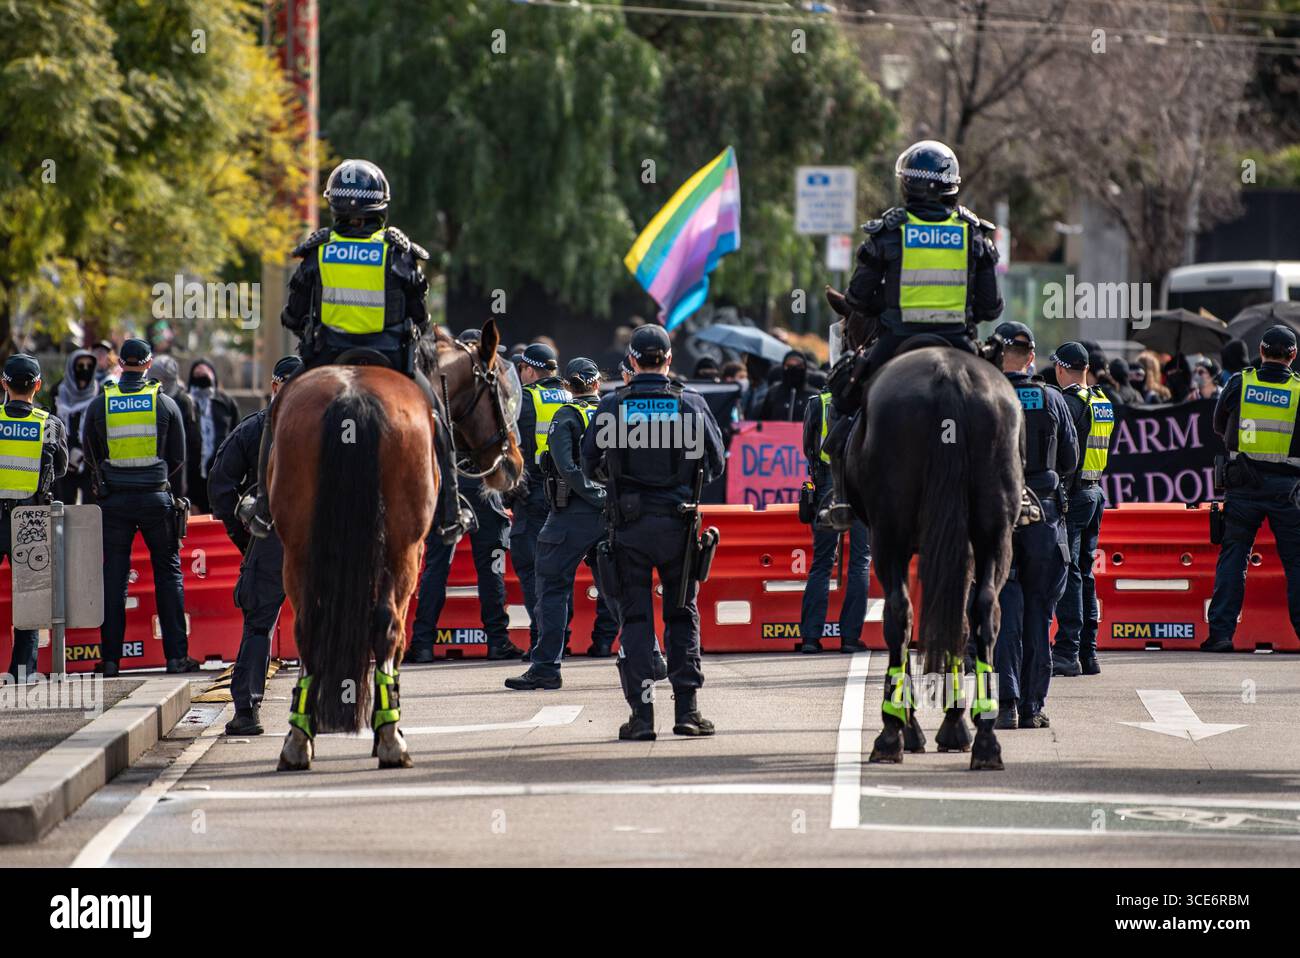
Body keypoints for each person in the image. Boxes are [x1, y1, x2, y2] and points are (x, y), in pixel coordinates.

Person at [243, 158, 469, 543]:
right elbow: (419, 316)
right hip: (392, 362)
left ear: (335, 205)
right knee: (435, 416)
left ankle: (263, 507)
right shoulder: (398, 253)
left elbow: (292, 317)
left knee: (278, 414)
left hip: (325, 359)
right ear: (380, 206)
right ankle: (450, 513)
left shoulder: (318, 252)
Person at [820, 139, 1003, 529]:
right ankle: (1018, 495)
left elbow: (857, 298)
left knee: (843, 399)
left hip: (895, 343)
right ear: (952, 185)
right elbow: (991, 308)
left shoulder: (888, 232)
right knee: (1007, 406)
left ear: (906, 184)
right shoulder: (974, 234)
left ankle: (840, 498)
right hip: (960, 343)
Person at [582, 325, 726, 740]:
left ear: (630, 361)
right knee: (682, 614)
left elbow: (590, 463)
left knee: (636, 618)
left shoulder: (612, 405)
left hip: (627, 527)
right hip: (679, 525)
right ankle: (688, 712)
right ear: (667, 359)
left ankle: (643, 718)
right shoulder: (691, 404)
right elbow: (714, 465)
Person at [83, 338, 193, 676]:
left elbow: (89, 451)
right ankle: (176, 657)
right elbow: (179, 457)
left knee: (114, 579)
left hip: (114, 501)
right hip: (156, 499)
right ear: (148, 364)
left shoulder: (101, 404)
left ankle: (112, 660)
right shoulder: (165, 404)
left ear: (121, 363)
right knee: (168, 573)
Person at [507, 358, 618, 689]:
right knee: (620, 588)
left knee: (552, 587)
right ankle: (651, 656)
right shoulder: (612, 414)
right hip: (610, 515)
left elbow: (566, 467)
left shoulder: (566, 415)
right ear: (598, 383)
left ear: (568, 386)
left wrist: (592, 495)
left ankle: (546, 666)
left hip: (569, 514)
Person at [208, 356, 302, 734]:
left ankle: (247, 711)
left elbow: (219, 485)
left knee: (258, 626)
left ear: (275, 386)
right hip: (317, 538)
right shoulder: (331, 428)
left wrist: (244, 536)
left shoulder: (255, 430)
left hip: (271, 536)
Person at [992, 324, 1077, 729]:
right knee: (1039, 614)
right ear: (1031, 357)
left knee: (1006, 611)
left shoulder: (984, 397)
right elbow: (1071, 461)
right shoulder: (1052, 398)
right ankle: (1032, 707)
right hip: (1044, 515)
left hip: (999, 516)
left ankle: (1006, 705)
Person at [1203, 325, 1300, 652]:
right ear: (1293, 356)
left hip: (1243, 484)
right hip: (1288, 489)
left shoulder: (1240, 382)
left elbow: (1219, 423)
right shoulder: (1299, 391)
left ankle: (1221, 635)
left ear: (1260, 351)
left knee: (1233, 558)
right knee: (1296, 563)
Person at [1, 356, 68, 680]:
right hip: (30, 518)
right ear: (37, 385)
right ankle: (23, 670)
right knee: (29, 596)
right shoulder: (49, 424)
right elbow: (63, 468)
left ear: (4, 384)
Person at [1050, 342, 1113, 677]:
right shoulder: (1102, 401)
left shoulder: (1070, 403)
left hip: (1074, 496)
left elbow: (1063, 455)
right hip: (1095, 491)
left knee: (1070, 573)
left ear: (1061, 369)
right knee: (1085, 574)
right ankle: (1088, 653)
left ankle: (1067, 651)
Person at [510, 343, 572, 658]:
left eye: (521, 369)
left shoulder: (525, 399)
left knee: (531, 566)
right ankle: (563, 636)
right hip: (568, 495)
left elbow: (512, 448)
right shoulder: (571, 395)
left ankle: (543, 640)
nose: (519, 375)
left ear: (530, 370)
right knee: (561, 568)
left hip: (534, 493)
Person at [797, 386, 870, 654]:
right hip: (863, 482)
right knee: (860, 561)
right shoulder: (870, 398)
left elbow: (809, 448)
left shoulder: (819, 402)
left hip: (828, 482)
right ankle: (850, 638)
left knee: (821, 563)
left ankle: (810, 638)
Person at [185, 358, 239, 515]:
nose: (201, 376)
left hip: (219, 474)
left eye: (205, 374)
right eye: (197, 374)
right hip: (192, 478)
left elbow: (237, 436)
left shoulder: (226, 403)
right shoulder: (184, 403)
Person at [50, 349, 97, 505]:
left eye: (89, 366)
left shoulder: (99, 393)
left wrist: (84, 454)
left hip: (90, 461)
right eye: (80, 365)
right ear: (71, 367)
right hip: (64, 459)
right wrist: (67, 453)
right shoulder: (58, 392)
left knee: (90, 513)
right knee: (65, 508)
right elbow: (55, 426)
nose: (85, 370)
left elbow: (99, 430)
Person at [758, 350, 817, 422]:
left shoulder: (813, 396)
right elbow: (763, 421)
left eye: (799, 366)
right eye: (789, 366)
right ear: (783, 367)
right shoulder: (774, 392)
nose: (793, 369)